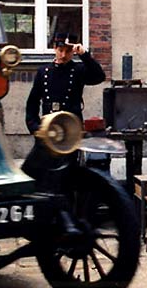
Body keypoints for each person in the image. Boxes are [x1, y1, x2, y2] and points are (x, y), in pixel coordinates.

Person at [23, 32, 106, 182]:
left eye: (68, 51)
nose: (63, 55)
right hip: (49, 129)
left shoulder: (78, 70)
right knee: (43, 170)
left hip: (70, 128)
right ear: (55, 48)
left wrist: (84, 55)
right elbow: (32, 102)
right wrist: (35, 128)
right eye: (60, 50)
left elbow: (99, 77)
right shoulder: (44, 72)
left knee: (69, 172)